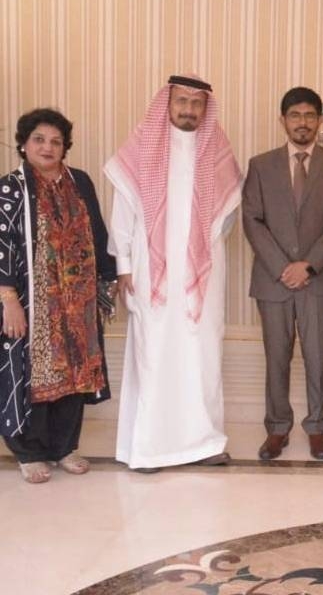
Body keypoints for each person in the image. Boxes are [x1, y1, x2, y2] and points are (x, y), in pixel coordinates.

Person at [106, 74, 243, 472]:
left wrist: (201, 249)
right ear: (167, 103)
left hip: (203, 275)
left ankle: (205, 443)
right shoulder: (141, 148)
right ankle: (149, 448)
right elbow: (123, 213)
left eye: (196, 102)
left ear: (206, 107)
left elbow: (228, 215)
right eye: (181, 101)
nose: (188, 109)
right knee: (153, 352)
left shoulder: (216, 147)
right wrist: (125, 266)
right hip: (151, 273)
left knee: (203, 355)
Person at [0, 108, 116, 483]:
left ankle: (64, 446)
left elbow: (97, 232)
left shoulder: (79, 181)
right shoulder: (11, 188)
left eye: (56, 141)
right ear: (23, 143)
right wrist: (8, 299)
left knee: (76, 373)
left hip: (77, 300)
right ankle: (29, 451)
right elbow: (2, 246)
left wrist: (108, 280)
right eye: (39, 139)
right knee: (31, 373)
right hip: (32, 302)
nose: (48, 147)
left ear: (65, 146)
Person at [243, 87, 323, 461]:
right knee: (276, 356)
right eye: (295, 115)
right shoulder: (261, 165)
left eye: (309, 115)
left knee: (316, 355)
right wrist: (282, 268)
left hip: (319, 278)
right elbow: (252, 220)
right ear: (283, 120)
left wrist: (308, 265)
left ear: (320, 121)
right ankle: (277, 429)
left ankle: (318, 428)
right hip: (273, 280)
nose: (302, 122)